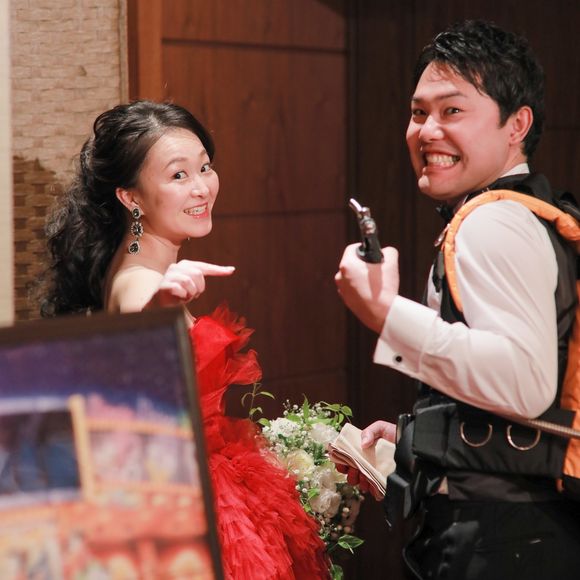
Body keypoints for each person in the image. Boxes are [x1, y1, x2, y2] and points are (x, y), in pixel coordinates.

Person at [40, 100, 329, 579]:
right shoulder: (139, 280)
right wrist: (163, 302)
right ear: (131, 198)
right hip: (192, 497)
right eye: (178, 175)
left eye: (205, 167)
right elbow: (140, 317)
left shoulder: (127, 260)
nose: (201, 188)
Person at [334, 20, 580, 580]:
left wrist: (384, 312)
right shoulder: (531, 210)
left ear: (517, 124)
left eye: (452, 111)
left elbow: (525, 383)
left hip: (504, 539)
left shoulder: (492, 221)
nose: (427, 131)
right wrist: (424, 434)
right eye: (419, 112)